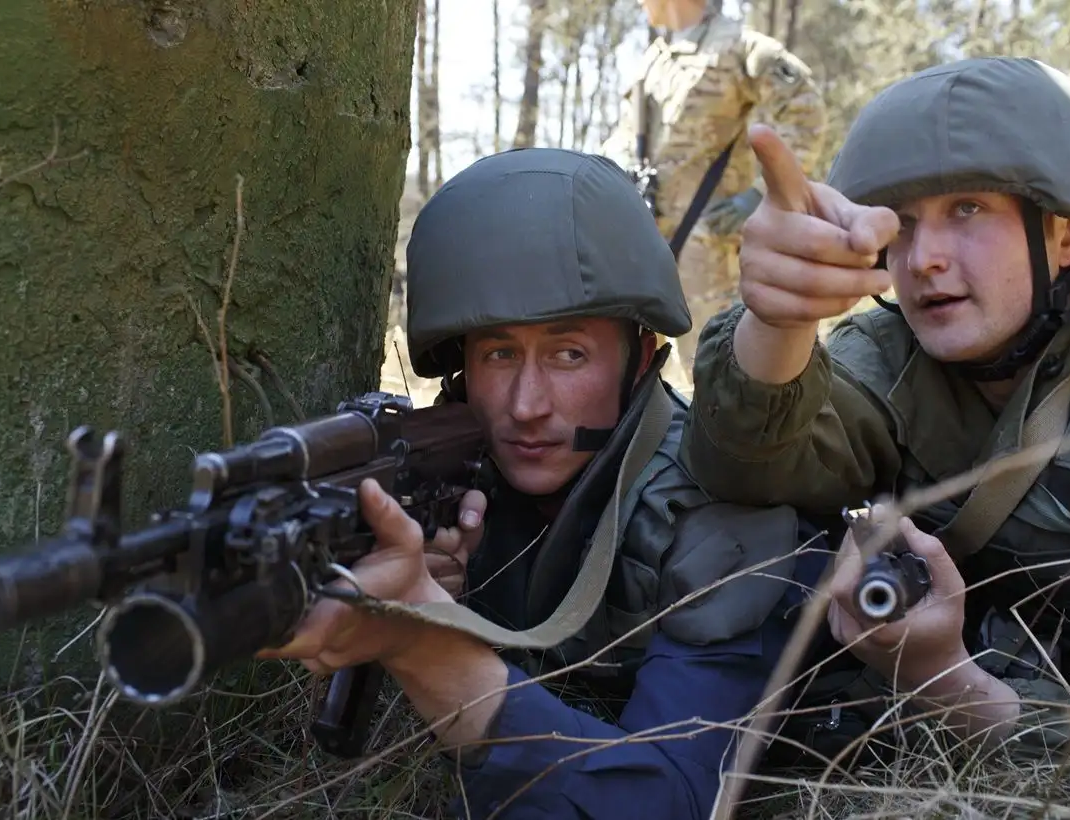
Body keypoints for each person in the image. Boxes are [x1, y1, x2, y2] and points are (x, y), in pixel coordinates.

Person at [259, 147, 832, 817]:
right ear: (462, 371)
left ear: (639, 360)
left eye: (569, 354)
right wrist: (438, 587)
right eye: (499, 353)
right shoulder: (461, 478)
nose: (528, 404)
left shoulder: (717, 517)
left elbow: (669, 801)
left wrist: (427, 642)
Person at [681, 55, 1070, 761]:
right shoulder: (895, 349)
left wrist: (944, 681)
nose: (923, 258)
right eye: (904, 223)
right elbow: (742, 469)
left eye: (968, 210)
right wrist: (773, 321)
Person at [598, 0, 828, 381]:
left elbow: (805, 111)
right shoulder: (653, 62)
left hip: (708, 252)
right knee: (640, 376)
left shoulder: (739, 47)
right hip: (646, 246)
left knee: (715, 372)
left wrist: (759, 193)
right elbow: (623, 140)